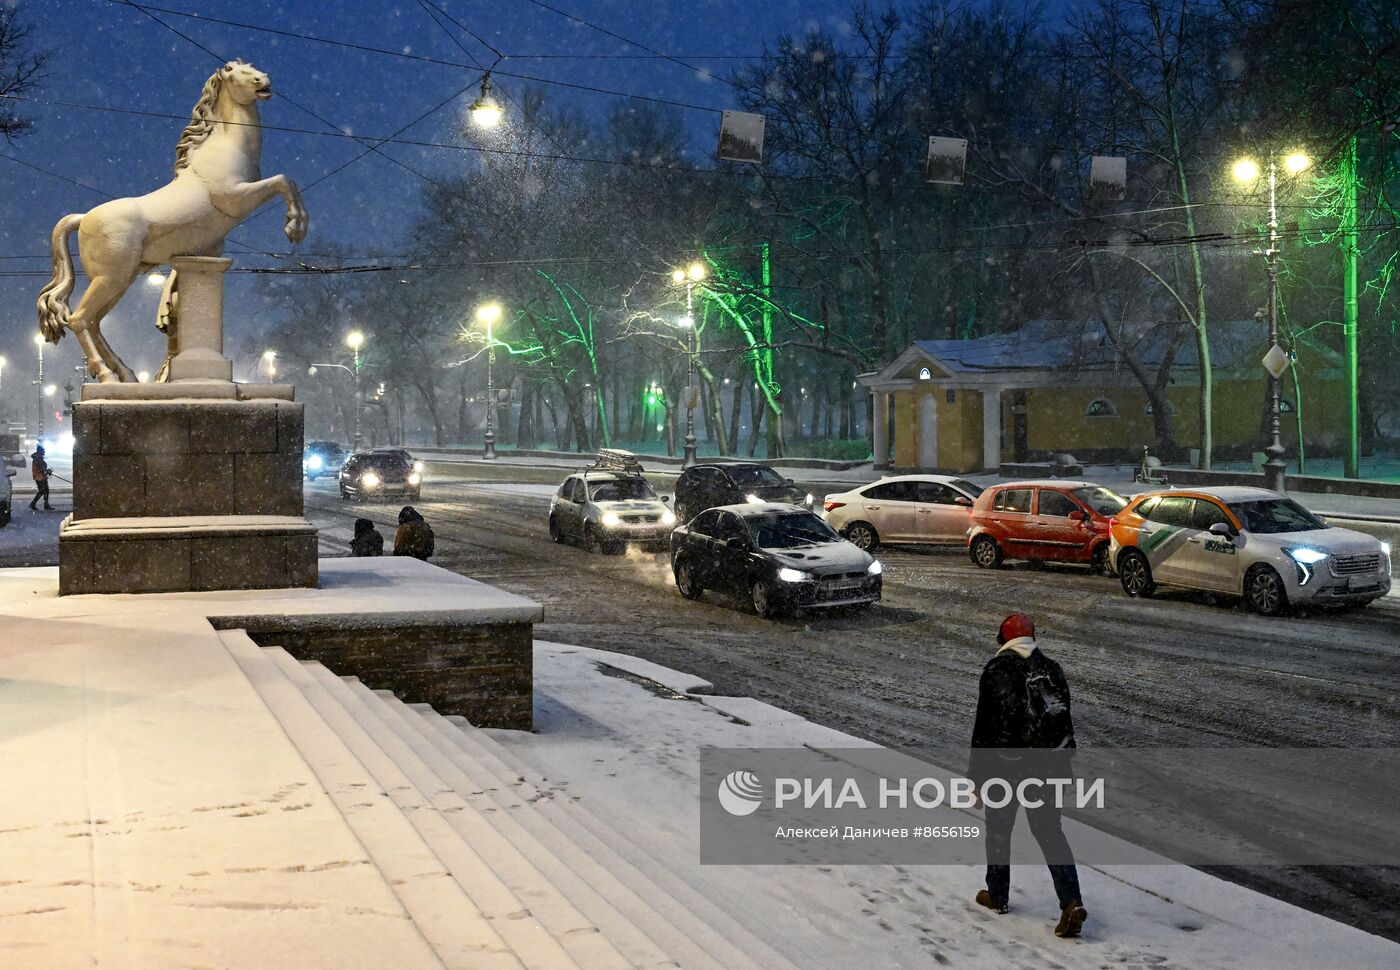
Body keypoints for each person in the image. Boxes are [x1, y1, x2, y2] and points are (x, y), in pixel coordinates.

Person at [968, 612, 1087, 939]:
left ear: (1003, 640)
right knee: (1051, 833)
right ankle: (1071, 902)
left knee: (998, 829)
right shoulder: (1052, 670)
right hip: (1048, 767)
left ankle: (997, 894)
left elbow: (985, 729)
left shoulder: (997, 670)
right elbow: (1065, 723)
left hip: (1006, 768)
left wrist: (977, 778)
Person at [29, 445, 53, 511]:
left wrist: (46, 471)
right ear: (40, 451)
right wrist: (47, 471)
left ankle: (44, 505)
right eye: (43, 450)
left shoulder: (38, 457)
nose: (44, 451)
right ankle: (33, 504)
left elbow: (42, 468)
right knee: (42, 490)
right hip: (39, 477)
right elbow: (41, 468)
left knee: (45, 491)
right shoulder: (37, 458)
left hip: (41, 477)